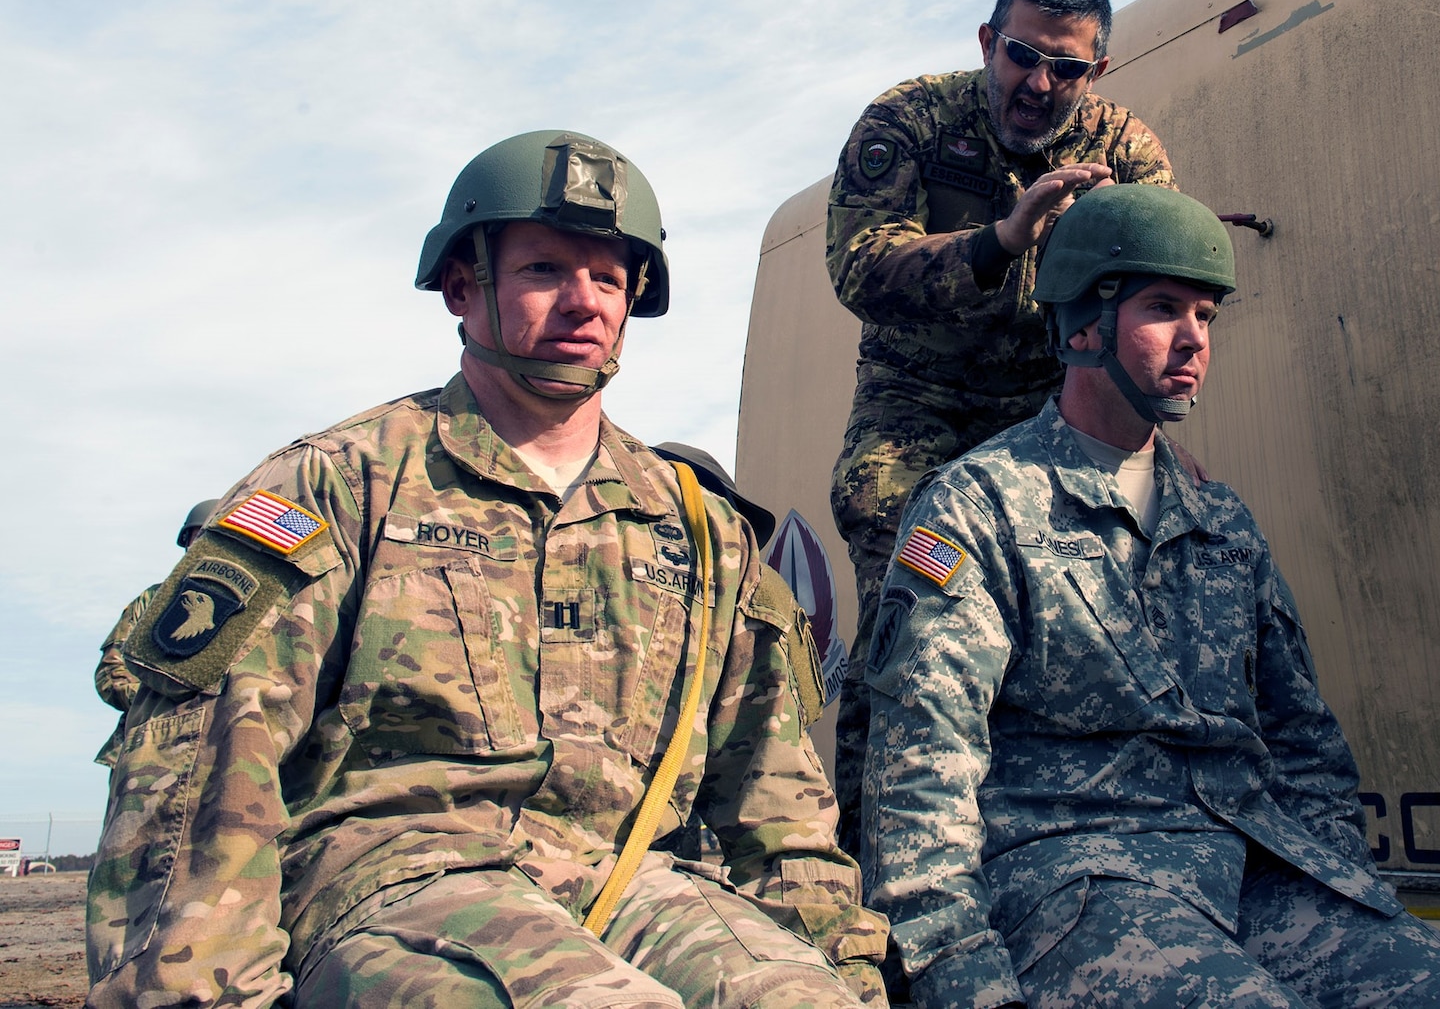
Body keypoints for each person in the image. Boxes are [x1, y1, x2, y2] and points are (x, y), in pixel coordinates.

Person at [89, 131, 887, 1009]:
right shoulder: (339, 481)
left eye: (610, 279)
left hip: (630, 886)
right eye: (546, 270)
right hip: (391, 884)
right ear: (464, 287)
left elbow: (774, 794)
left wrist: (842, 968)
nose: (584, 302)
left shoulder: (699, 528)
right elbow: (201, 767)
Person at [860, 184, 1440, 1009]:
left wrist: (1346, 885)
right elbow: (922, 764)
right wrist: (957, 974)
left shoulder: (1222, 519)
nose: (1194, 340)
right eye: (1165, 308)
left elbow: (1303, 742)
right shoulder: (979, 507)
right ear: (1083, 324)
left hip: (1252, 867)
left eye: (1208, 316)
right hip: (1074, 876)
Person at [824, 0, 1175, 846]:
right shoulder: (908, 122)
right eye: (1023, 56)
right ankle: (882, 853)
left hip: (1050, 411)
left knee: (1102, 589)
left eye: (1067, 67)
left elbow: (1154, 297)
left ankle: (1062, 842)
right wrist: (999, 240)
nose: (1039, 83)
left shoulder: (1125, 152)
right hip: (917, 403)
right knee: (915, 582)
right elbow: (860, 268)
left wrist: (1147, 441)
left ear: (1096, 71)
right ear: (989, 42)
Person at [93, 499, 218, 729]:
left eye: (213, 535)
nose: (204, 545)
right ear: (187, 543)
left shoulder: (255, 604)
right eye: (198, 537)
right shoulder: (153, 600)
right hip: (147, 739)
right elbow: (112, 673)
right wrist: (158, 702)